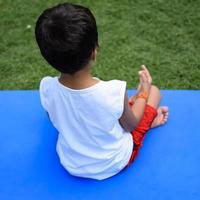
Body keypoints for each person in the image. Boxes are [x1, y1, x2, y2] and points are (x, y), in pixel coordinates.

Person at [35, 2, 169, 180]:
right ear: (94, 52)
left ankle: (139, 107)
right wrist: (143, 92)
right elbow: (130, 126)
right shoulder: (113, 91)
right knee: (154, 92)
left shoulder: (46, 87)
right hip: (113, 162)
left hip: (71, 162)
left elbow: (56, 120)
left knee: (122, 107)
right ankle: (148, 120)